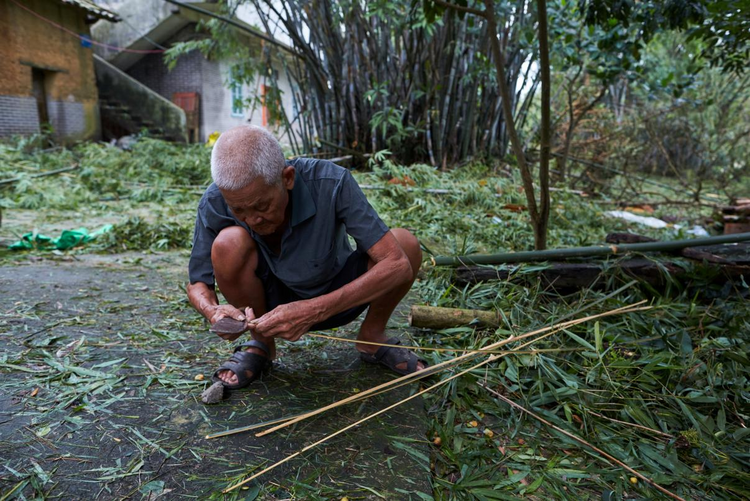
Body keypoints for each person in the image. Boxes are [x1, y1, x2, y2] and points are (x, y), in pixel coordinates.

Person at [187, 125, 426, 389]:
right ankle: (260, 344)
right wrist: (213, 312)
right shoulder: (214, 200)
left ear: (287, 178)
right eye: (238, 209)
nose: (252, 219)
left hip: (337, 292)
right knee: (228, 243)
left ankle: (372, 336)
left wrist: (315, 309)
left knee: (405, 245)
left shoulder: (331, 182)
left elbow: (397, 265)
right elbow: (198, 284)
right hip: (265, 307)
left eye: (262, 206)